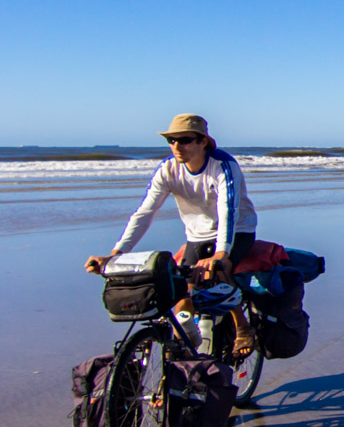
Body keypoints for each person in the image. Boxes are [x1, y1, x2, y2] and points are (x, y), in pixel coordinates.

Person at [85, 114, 259, 356]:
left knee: (218, 273)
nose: (177, 146)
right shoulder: (167, 169)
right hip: (196, 235)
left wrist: (221, 254)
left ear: (203, 142)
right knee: (181, 290)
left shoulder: (222, 166)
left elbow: (228, 210)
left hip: (237, 230)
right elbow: (145, 213)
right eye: (171, 140)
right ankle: (184, 349)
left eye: (185, 140)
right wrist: (116, 254)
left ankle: (242, 326)